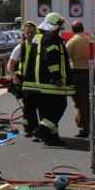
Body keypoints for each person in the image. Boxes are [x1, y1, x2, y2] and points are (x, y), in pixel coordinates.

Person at [22, 12, 74, 145]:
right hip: (49, 83)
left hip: (38, 83)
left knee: (47, 110)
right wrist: (56, 77)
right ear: (54, 25)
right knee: (60, 105)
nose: (61, 29)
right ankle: (43, 130)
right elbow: (51, 59)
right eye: (59, 26)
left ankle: (52, 138)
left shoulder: (39, 37)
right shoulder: (51, 37)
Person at [7, 21, 39, 136]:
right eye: (27, 33)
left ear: (36, 32)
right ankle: (29, 128)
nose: (30, 35)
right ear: (24, 34)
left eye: (32, 32)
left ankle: (39, 129)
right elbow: (10, 65)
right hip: (25, 80)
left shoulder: (40, 45)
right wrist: (14, 77)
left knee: (39, 105)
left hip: (38, 80)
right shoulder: (21, 47)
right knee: (28, 106)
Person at [66, 20, 91, 138]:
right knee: (88, 101)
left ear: (72, 29)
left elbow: (66, 58)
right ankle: (88, 126)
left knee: (80, 103)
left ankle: (85, 129)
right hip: (91, 74)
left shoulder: (72, 41)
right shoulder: (90, 40)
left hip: (77, 74)